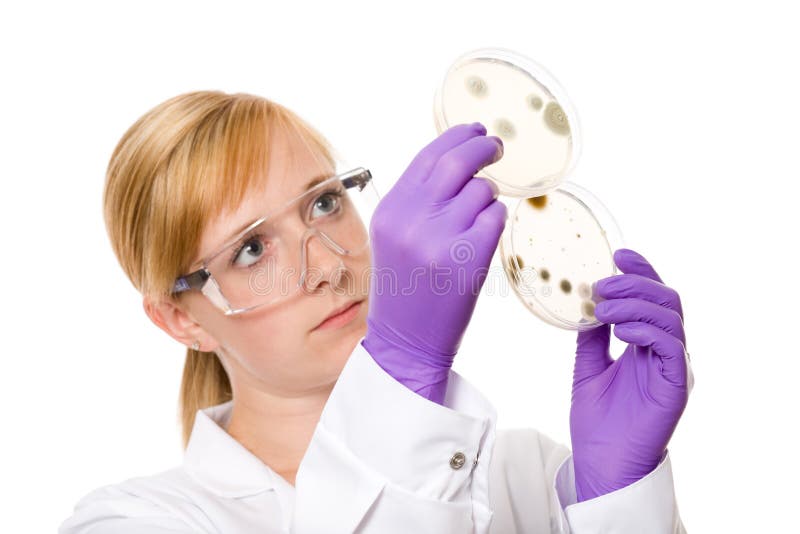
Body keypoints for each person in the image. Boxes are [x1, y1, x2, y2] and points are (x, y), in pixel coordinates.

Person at [59, 90, 692, 533]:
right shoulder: (134, 520)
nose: (330, 265)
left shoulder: (528, 475)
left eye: (325, 203)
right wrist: (401, 368)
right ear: (182, 320)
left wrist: (618, 505)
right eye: (251, 249)